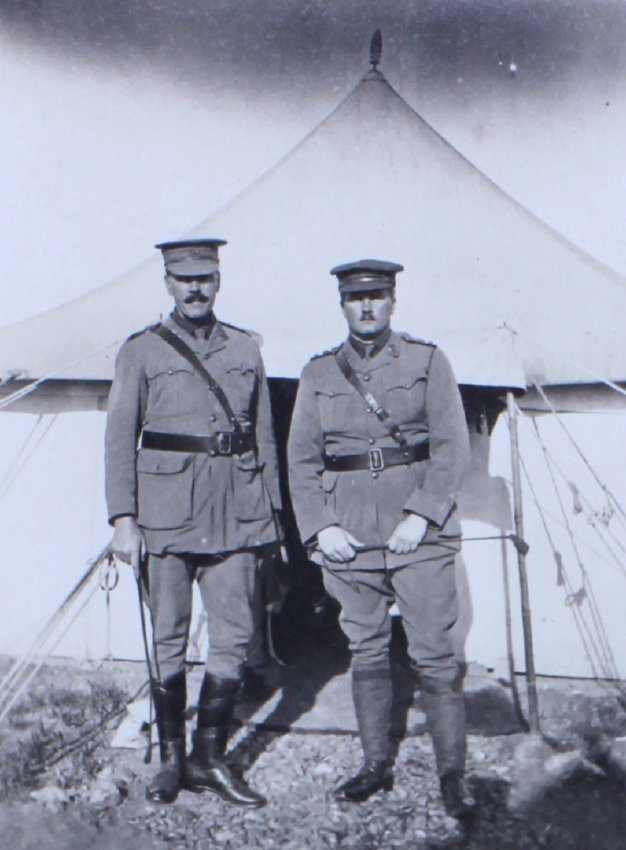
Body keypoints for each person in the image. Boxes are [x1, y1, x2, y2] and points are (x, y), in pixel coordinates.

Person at [287, 259, 475, 818]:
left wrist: (422, 514)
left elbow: (452, 448)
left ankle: (453, 775)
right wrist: (321, 526)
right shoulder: (318, 373)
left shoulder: (427, 361)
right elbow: (301, 460)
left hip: (418, 534)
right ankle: (374, 765)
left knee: (435, 653)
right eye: (355, 298)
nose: (366, 307)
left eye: (377, 296)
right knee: (365, 648)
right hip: (350, 536)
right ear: (342, 304)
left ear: (394, 300)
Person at [105, 238, 282, 807]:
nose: (195, 288)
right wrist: (124, 519)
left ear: (218, 281)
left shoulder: (246, 348)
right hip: (167, 517)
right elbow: (119, 441)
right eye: (184, 279)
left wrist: (271, 519)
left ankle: (209, 758)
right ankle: (171, 760)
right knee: (168, 637)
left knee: (235, 637)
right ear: (168, 284)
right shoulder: (140, 351)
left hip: (236, 514)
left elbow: (264, 438)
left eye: (204, 278)